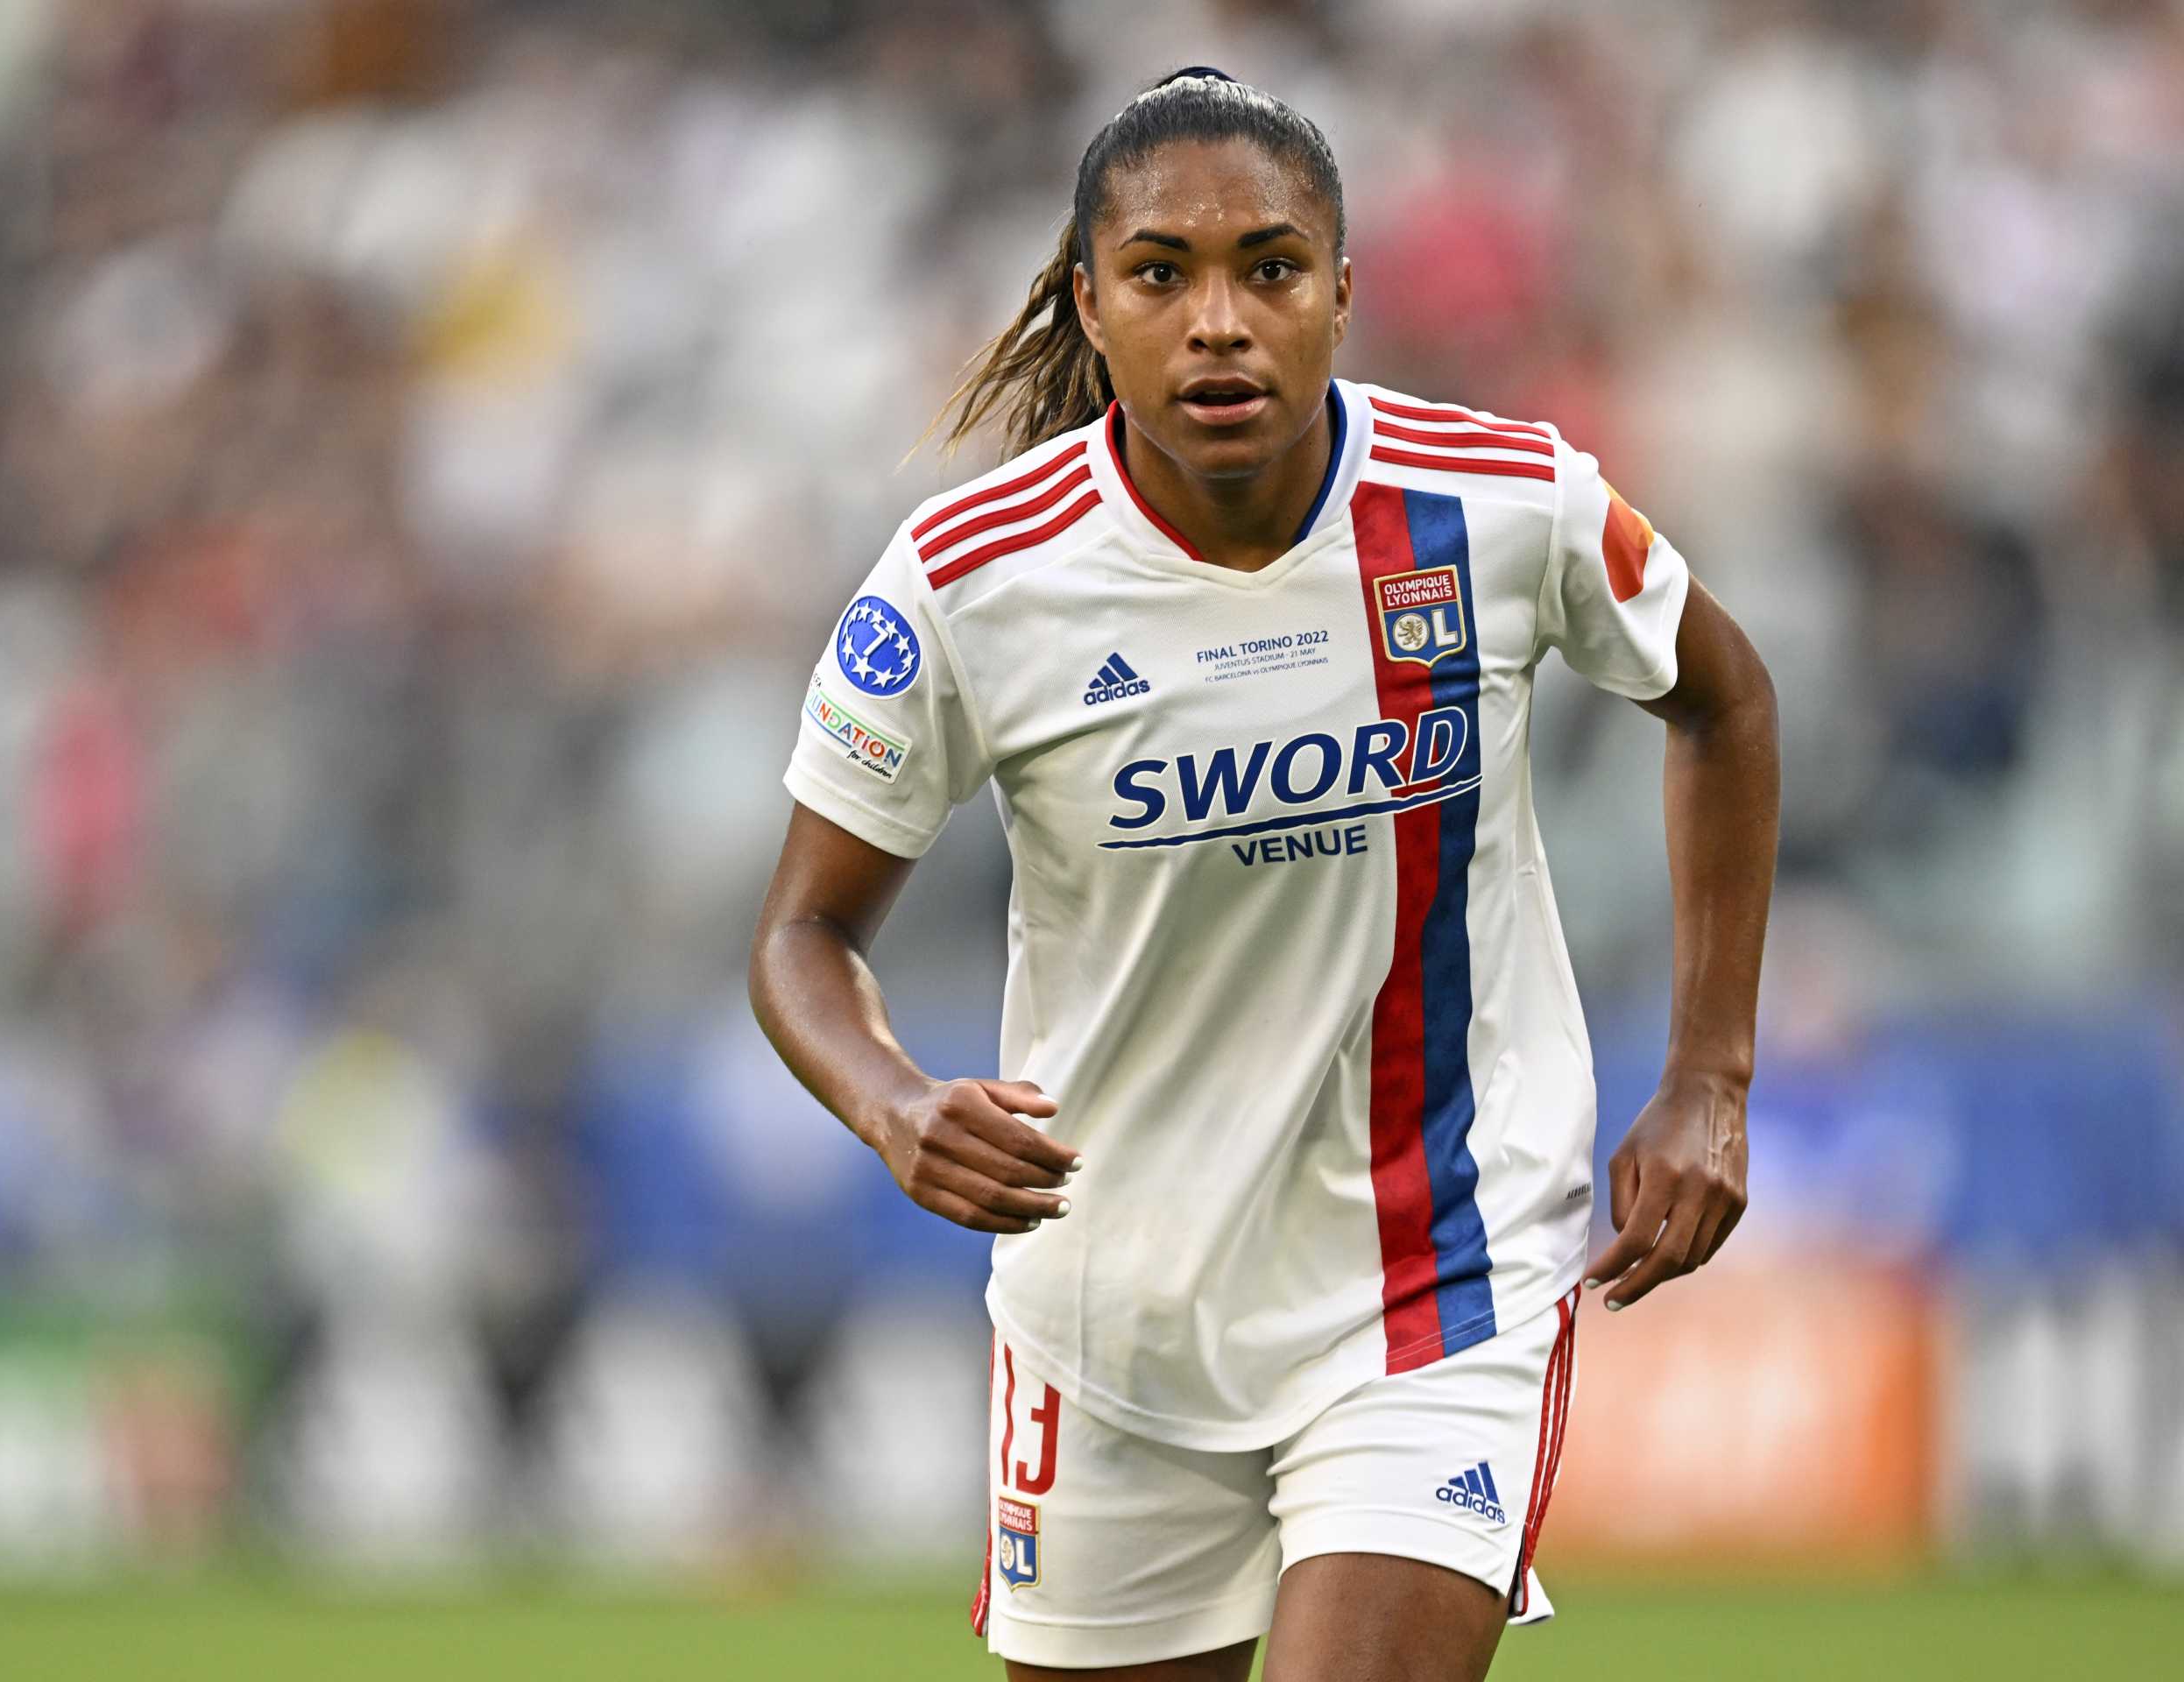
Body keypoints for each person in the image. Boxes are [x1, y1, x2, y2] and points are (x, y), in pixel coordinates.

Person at [746, 67, 1779, 1682]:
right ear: (1090, 304)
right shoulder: (969, 583)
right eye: (1162, 275)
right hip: (1112, 1315)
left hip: (1437, 1282)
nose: (1218, 321)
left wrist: (1709, 1070)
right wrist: (891, 1106)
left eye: (1270, 269)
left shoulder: (1500, 505)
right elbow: (804, 934)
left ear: (1346, 292)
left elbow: (1722, 698)